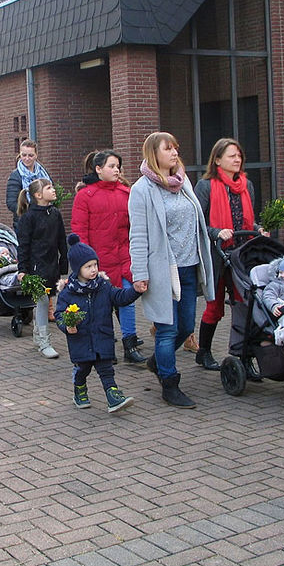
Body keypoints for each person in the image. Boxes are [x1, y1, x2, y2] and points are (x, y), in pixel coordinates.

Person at [129, 132, 215, 408]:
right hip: (163, 270)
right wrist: (139, 272)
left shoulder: (183, 180)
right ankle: (170, 383)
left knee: (186, 326)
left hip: (190, 266)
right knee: (167, 329)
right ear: (154, 154)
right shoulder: (142, 189)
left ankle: (158, 361)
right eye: (168, 149)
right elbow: (138, 235)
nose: (175, 153)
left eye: (176, 148)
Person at [194, 138, 268, 372]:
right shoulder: (205, 187)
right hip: (217, 256)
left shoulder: (247, 185)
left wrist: (257, 230)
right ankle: (203, 352)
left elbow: (247, 220)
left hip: (241, 256)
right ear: (217, 160)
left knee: (246, 306)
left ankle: (244, 355)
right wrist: (216, 232)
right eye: (231, 156)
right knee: (214, 308)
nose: (237, 160)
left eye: (239, 155)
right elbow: (197, 224)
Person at [71, 149, 146, 365]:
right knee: (101, 306)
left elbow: (136, 227)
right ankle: (104, 349)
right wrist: (85, 262)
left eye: (117, 166)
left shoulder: (126, 193)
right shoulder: (85, 196)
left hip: (124, 258)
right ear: (98, 169)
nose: (116, 170)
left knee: (127, 300)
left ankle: (130, 344)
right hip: (99, 261)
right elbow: (79, 231)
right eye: (111, 166)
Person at [56, 234, 146, 412]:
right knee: (83, 369)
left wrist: (135, 291)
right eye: (88, 266)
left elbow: (119, 297)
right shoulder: (68, 293)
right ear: (77, 269)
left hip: (102, 336)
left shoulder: (103, 286)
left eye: (95, 265)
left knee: (106, 369)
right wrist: (67, 326)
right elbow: (59, 314)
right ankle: (79, 389)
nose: (93, 269)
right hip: (80, 340)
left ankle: (113, 396)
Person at [16, 178, 68, 359]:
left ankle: (38, 336)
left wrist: (64, 261)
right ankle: (44, 341)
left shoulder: (55, 213)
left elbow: (62, 239)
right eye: (49, 188)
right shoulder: (28, 217)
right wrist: (22, 269)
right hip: (35, 267)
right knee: (43, 301)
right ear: (38, 195)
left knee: (45, 301)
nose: (54, 190)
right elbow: (23, 245)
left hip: (51, 265)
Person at [6, 139, 53, 228]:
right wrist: (30, 212)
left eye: (30, 155)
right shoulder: (16, 176)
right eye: (24, 155)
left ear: (36, 155)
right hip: (25, 223)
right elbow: (11, 203)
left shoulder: (43, 174)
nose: (27, 158)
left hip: (45, 221)